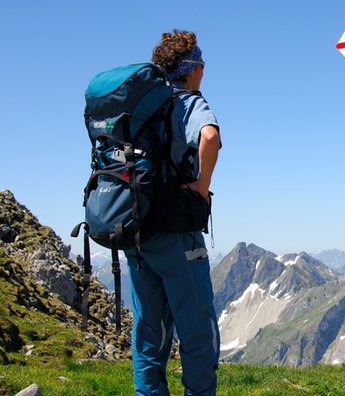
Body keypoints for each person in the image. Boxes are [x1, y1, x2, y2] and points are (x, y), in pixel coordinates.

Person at [124, 29, 221, 396]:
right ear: (192, 67)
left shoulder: (142, 107)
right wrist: (202, 183)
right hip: (176, 233)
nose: (203, 71)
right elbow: (209, 137)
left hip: (135, 229)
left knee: (150, 332)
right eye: (201, 64)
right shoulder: (188, 102)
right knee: (198, 333)